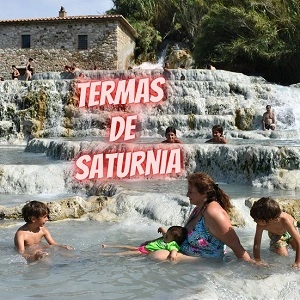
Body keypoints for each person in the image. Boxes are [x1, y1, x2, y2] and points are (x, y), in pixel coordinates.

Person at [149, 172, 254, 263]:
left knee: (157, 256)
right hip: (187, 253)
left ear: (203, 194)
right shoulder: (199, 208)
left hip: (207, 261)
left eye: (190, 191)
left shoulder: (213, 213)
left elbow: (235, 245)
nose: (187, 194)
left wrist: (250, 265)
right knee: (145, 248)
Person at [250, 197, 300, 268]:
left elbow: (298, 241)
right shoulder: (260, 225)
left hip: (290, 231)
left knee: (296, 248)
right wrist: (258, 260)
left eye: (256, 220)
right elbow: (257, 244)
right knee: (282, 256)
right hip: (276, 235)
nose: (254, 221)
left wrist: (297, 262)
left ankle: (290, 243)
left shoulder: (284, 220)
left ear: (267, 220)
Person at [102, 226, 187, 261]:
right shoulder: (168, 238)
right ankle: (110, 246)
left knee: (128, 253)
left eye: (167, 237)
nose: (164, 237)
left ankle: (110, 254)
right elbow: (165, 232)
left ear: (174, 241)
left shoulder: (172, 244)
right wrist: (161, 229)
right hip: (145, 247)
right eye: (166, 235)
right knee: (128, 247)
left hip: (145, 252)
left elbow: (174, 251)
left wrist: (172, 256)